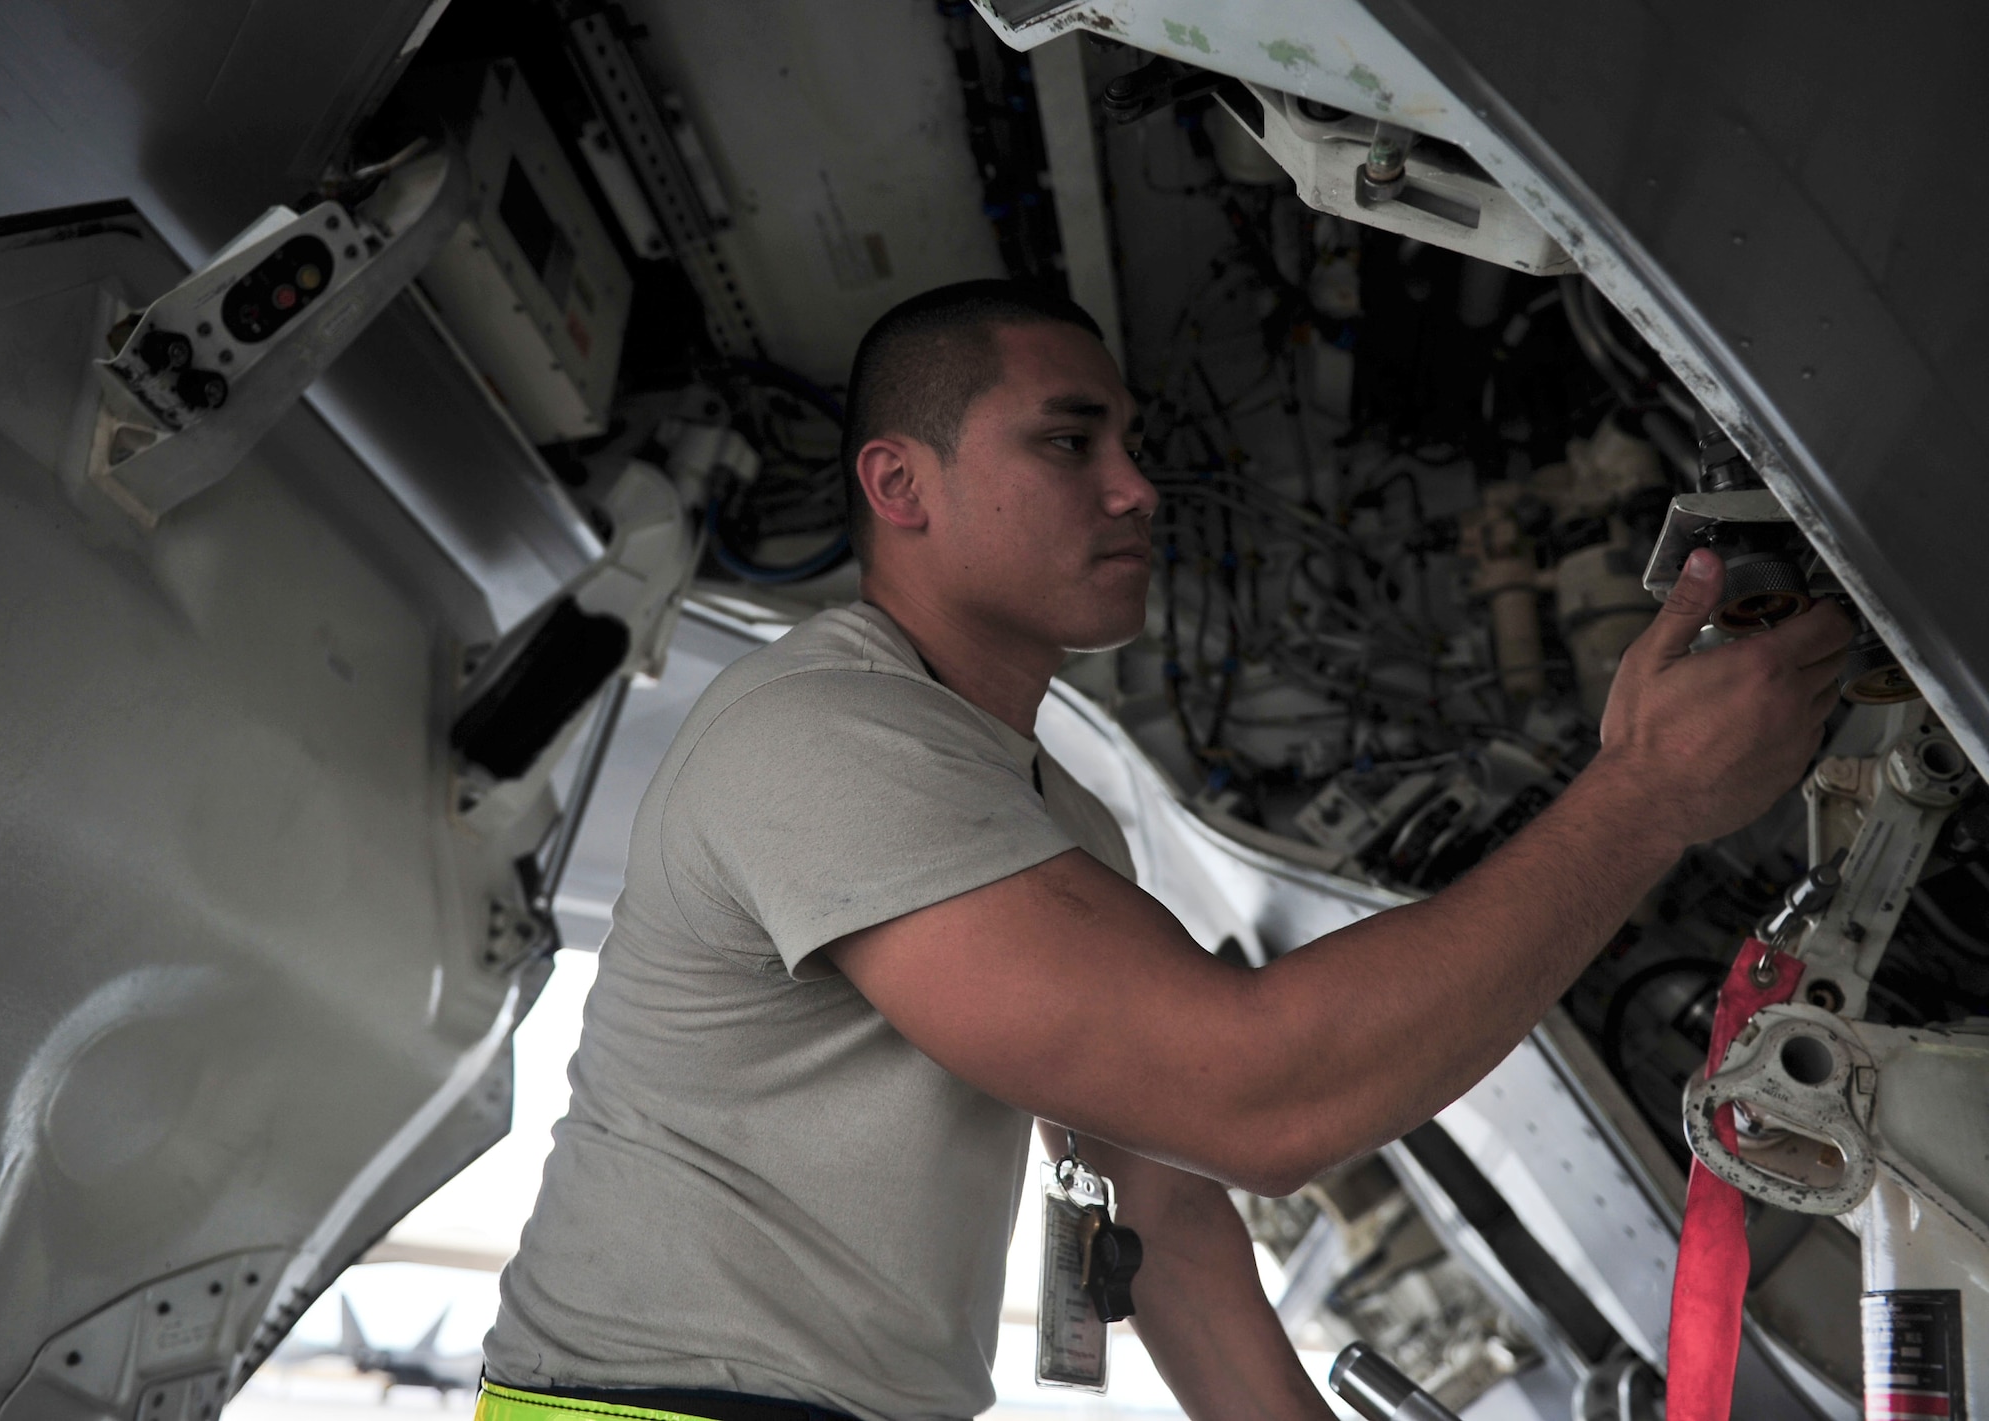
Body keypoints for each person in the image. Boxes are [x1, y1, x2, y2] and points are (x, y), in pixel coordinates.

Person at [480, 281, 1850, 1421]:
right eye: (1070, 445)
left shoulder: (1047, 819)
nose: (1138, 488)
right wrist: (1646, 797)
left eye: (1133, 445)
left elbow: (1174, 1219)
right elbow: (1257, 1096)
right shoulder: (825, 732)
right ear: (900, 482)